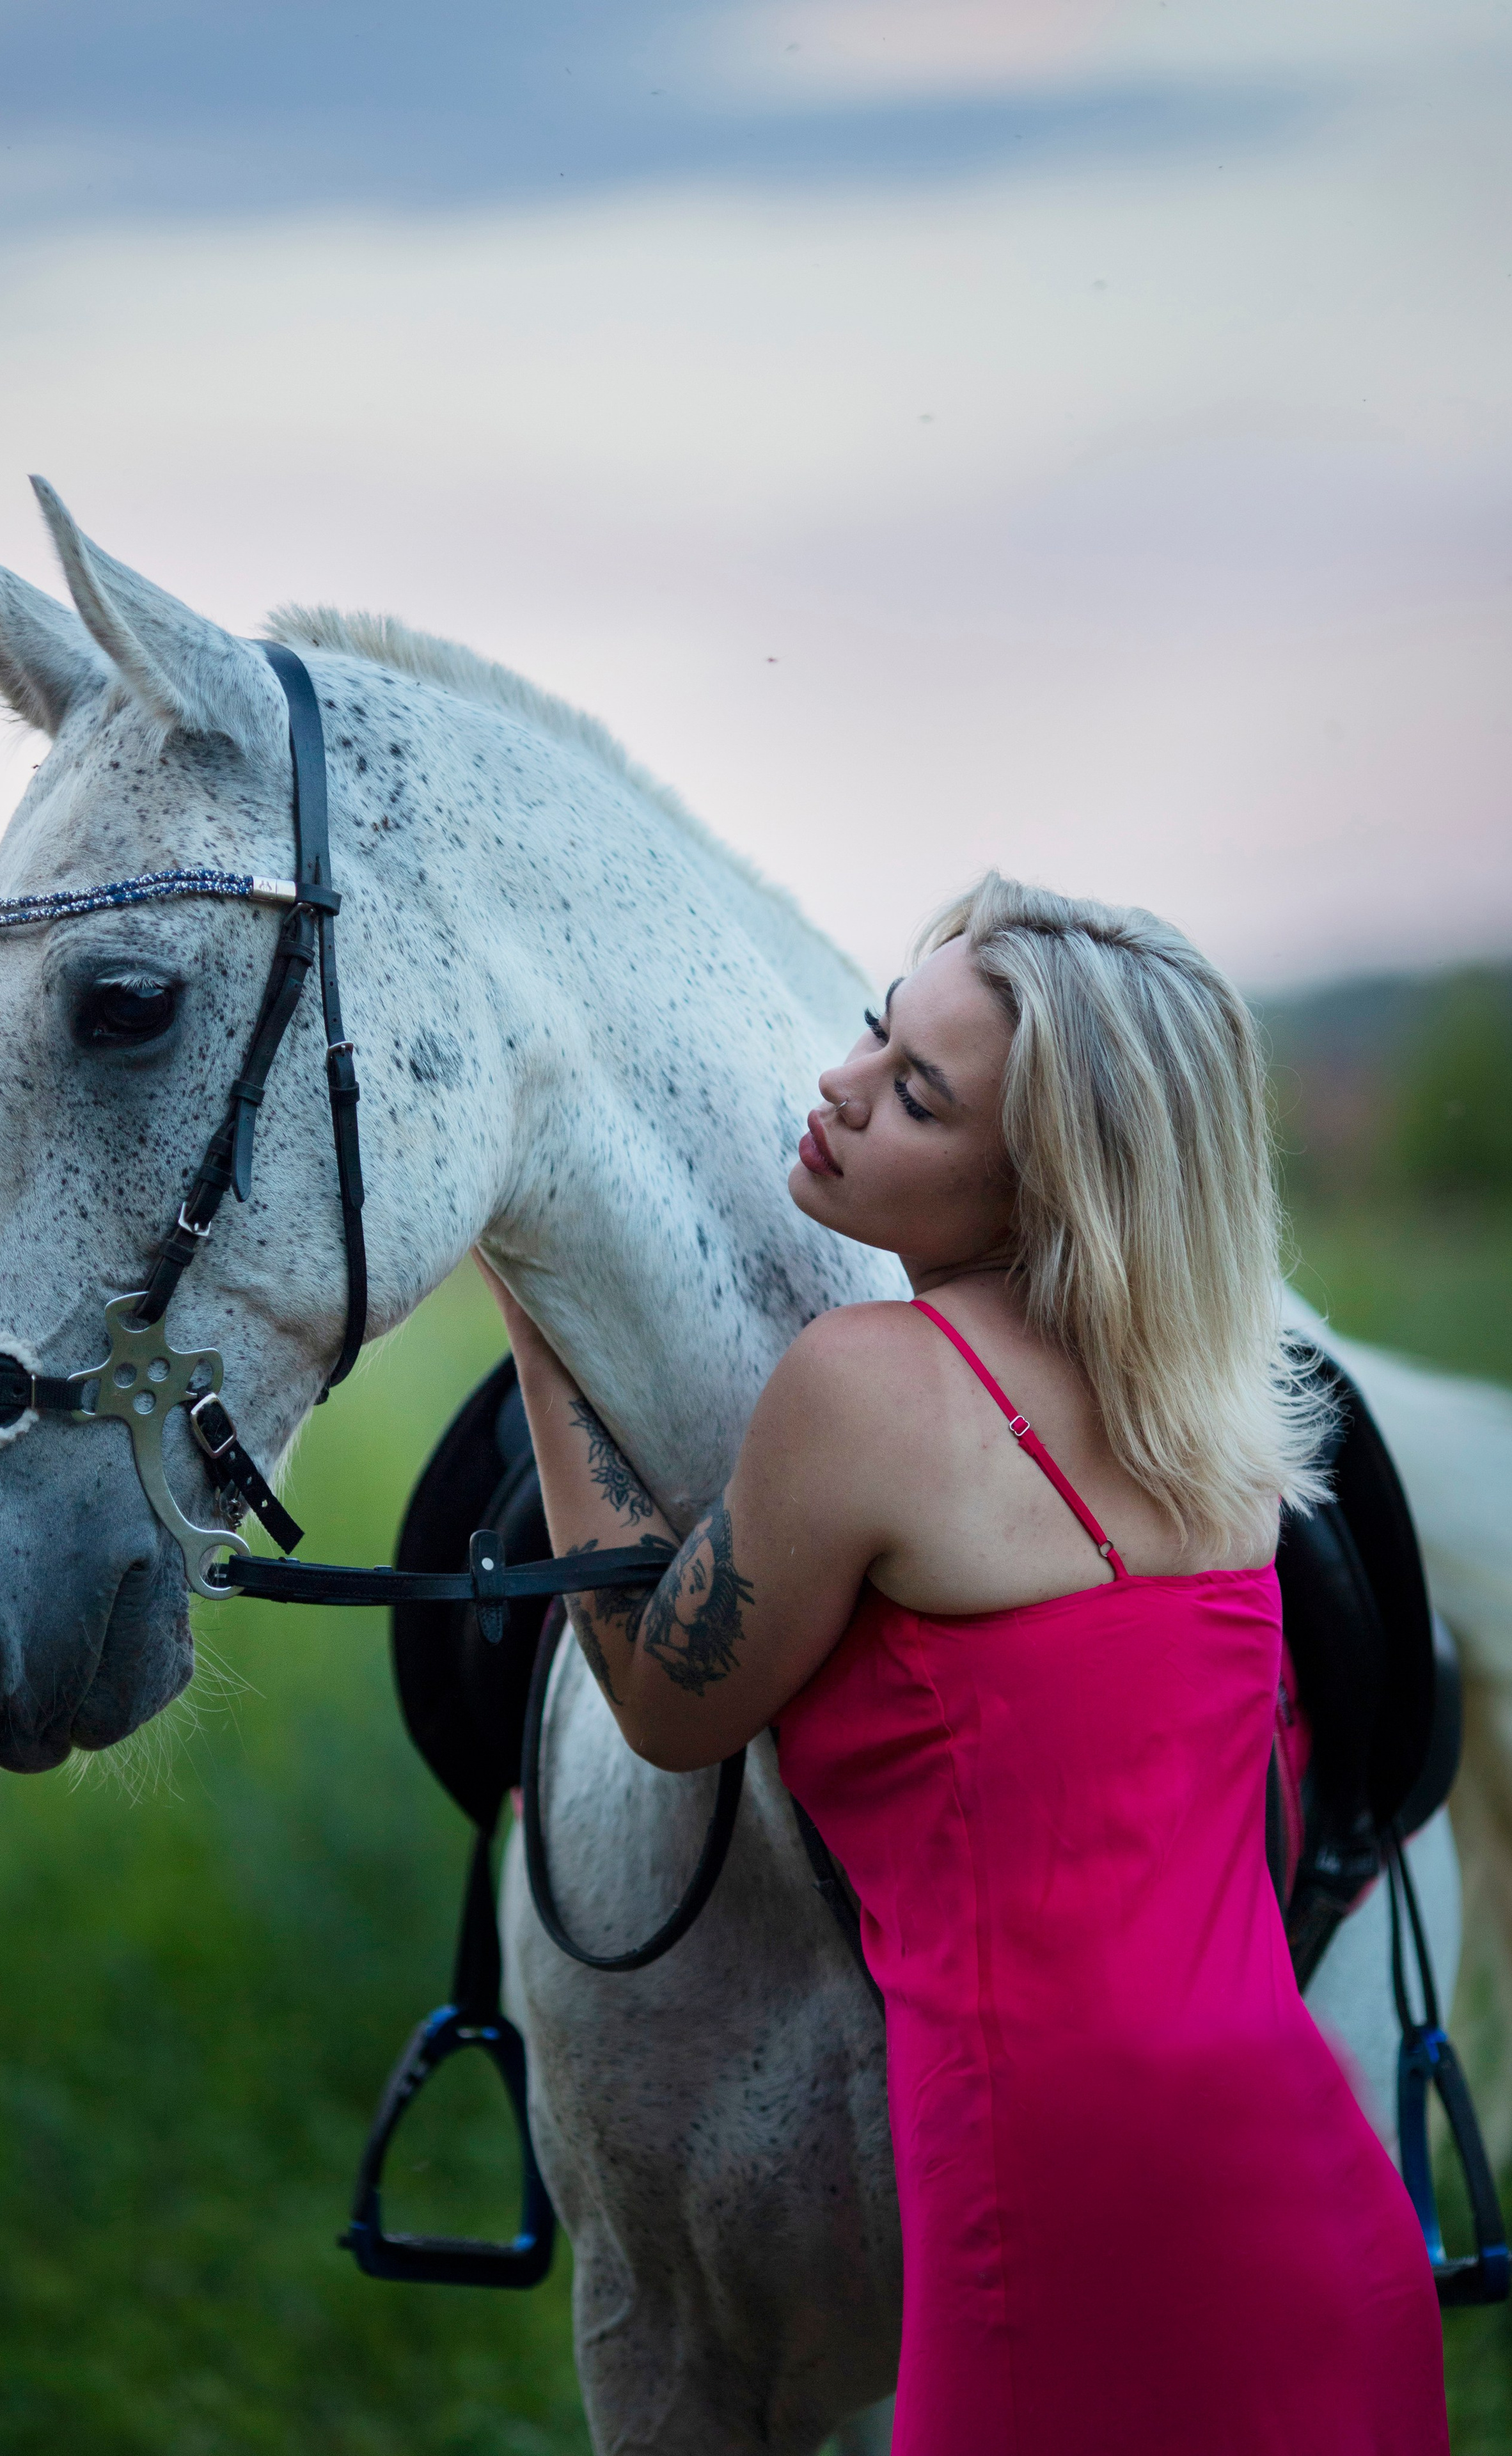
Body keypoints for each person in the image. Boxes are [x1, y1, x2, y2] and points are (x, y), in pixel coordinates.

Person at [478, 872, 1447, 2455]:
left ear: (1043, 1192)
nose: (840, 1086)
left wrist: (540, 1321)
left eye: (917, 1096)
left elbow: (661, 1703)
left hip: (1042, 2200)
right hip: (1300, 2183)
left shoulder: (867, 1390)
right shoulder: (1219, 1411)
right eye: (876, 1029)